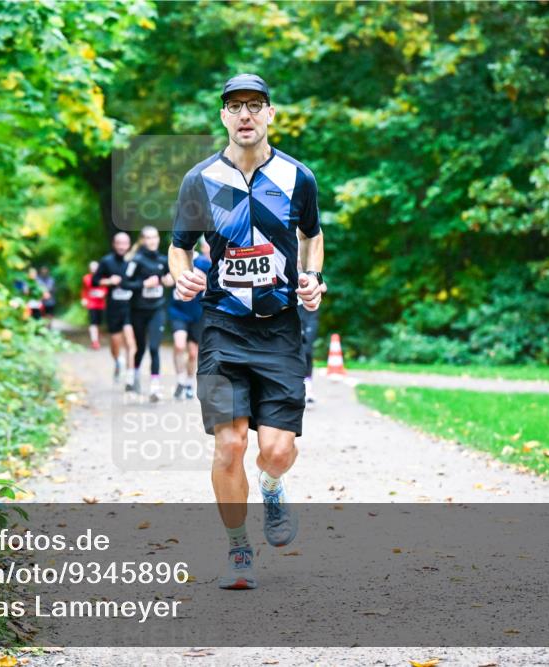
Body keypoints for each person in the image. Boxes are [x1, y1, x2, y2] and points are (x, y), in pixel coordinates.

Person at [169, 73, 326, 590]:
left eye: (254, 105)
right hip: (221, 328)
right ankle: (239, 550)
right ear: (223, 116)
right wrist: (183, 274)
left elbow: (312, 236)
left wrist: (313, 279)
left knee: (276, 449)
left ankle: (273, 486)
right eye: (235, 106)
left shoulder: (297, 177)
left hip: (279, 329)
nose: (244, 115)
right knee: (229, 445)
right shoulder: (200, 180)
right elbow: (180, 246)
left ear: (270, 114)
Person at [121, 225, 174, 402]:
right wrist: (144, 284)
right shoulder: (136, 260)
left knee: (154, 348)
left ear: (158, 239)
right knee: (141, 347)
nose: (152, 241)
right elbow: (124, 283)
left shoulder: (163, 259)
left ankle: (155, 388)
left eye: (155, 237)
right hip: (138, 310)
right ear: (143, 241)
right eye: (149, 238)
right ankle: (134, 377)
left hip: (157, 309)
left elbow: (170, 278)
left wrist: (169, 281)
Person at [168, 238, 211, 399]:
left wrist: (201, 278)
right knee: (179, 345)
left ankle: (187, 382)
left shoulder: (203, 262)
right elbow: (166, 279)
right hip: (178, 311)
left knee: (193, 353)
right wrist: (168, 279)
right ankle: (179, 380)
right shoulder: (174, 259)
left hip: (197, 312)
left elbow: (214, 285)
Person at [93, 232, 138, 382]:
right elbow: (95, 280)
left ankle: (130, 377)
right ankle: (118, 361)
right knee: (115, 344)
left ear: (129, 244)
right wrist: (109, 281)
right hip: (113, 308)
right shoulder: (106, 261)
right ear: (114, 244)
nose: (122, 246)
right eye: (119, 243)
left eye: (124, 243)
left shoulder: (134, 261)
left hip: (131, 307)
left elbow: (141, 280)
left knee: (131, 342)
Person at [81, 260, 107, 350]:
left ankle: (97, 336)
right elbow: (84, 290)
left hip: (101, 304)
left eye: (95, 267)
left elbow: (106, 288)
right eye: (92, 267)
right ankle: (94, 341)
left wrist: (103, 293)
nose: (94, 269)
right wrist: (84, 299)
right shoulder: (86, 278)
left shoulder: (103, 278)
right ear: (89, 268)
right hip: (91, 304)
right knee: (93, 323)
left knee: (98, 323)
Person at [298, 303, 320, 405]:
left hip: (309, 310)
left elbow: (323, 288)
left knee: (307, 352)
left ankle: (308, 390)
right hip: (292, 308)